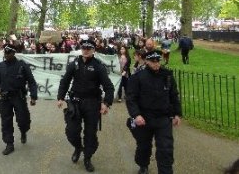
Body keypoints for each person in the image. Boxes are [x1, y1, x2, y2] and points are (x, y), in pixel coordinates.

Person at [57, 39, 114, 172]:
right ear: (81, 49)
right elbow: (64, 81)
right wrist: (60, 97)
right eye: (84, 48)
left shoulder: (99, 66)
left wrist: (106, 103)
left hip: (92, 103)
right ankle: (78, 147)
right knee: (71, 131)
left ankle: (87, 157)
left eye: (89, 48)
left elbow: (109, 87)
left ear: (94, 50)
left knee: (90, 134)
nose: (86, 50)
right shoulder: (74, 64)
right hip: (75, 102)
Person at [126, 50, 182, 174]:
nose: (156, 64)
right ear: (146, 61)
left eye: (158, 61)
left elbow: (174, 96)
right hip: (144, 118)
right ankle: (143, 165)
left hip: (163, 118)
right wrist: (136, 115)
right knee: (144, 146)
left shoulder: (167, 76)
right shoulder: (138, 77)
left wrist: (177, 113)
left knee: (166, 148)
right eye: (153, 61)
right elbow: (131, 98)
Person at [0, 44, 38, 155]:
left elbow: (31, 81)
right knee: (6, 122)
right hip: (5, 98)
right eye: (5, 53)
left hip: (18, 97)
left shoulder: (22, 65)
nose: (6, 55)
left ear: (14, 53)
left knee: (23, 120)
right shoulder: (0, 66)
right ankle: (9, 143)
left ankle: (23, 131)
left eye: (9, 53)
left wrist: (33, 96)